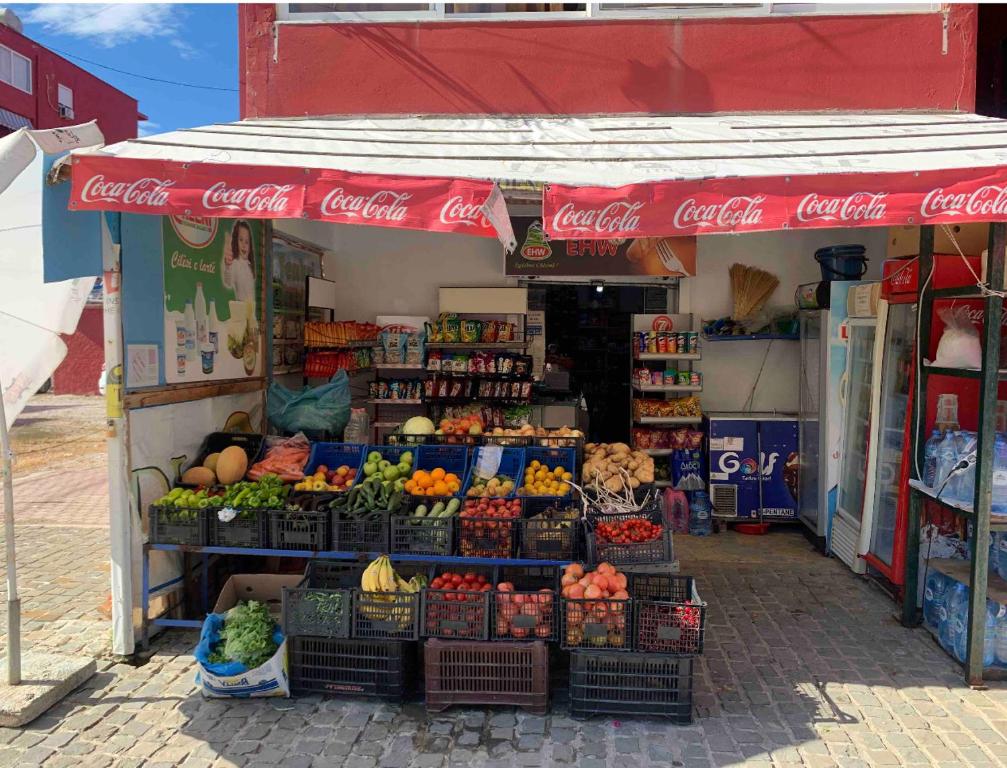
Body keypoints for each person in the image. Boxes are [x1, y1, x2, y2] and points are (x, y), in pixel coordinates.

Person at [222, 220, 256, 304]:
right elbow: (228, 282)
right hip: (241, 307)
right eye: (241, 240)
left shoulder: (249, 265)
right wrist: (227, 266)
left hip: (251, 309)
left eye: (247, 242)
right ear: (235, 241)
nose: (244, 245)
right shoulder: (235, 263)